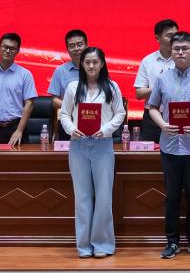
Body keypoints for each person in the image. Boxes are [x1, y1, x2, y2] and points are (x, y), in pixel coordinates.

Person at [148, 32, 190, 259]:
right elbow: (152, 108)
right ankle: (172, 242)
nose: (180, 52)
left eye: (184, 48)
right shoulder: (162, 79)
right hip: (169, 146)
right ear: (171, 51)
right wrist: (162, 125)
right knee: (171, 196)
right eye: (176, 49)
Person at [58, 47, 126, 258]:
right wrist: (71, 129)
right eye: (87, 62)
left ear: (102, 63)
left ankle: (102, 244)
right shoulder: (73, 87)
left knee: (104, 197)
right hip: (78, 145)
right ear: (81, 64)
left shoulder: (112, 87)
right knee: (82, 198)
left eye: (95, 62)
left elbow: (120, 113)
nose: (91, 66)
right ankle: (84, 246)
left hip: (102, 145)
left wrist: (106, 129)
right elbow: (64, 114)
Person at [135, 19, 190, 141]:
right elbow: (139, 93)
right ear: (157, 38)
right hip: (153, 117)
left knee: (180, 150)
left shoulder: (186, 59)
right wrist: (160, 87)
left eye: (176, 35)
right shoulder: (148, 61)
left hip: (180, 114)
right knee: (151, 152)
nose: (174, 39)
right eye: (170, 36)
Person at [49, 29, 88, 141]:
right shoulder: (60, 71)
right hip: (68, 121)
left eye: (79, 45)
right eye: (72, 46)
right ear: (67, 49)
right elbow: (54, 100)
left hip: (92, 119)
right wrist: (75, 107)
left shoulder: (95, 68)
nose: (76, 49)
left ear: (86, 45)